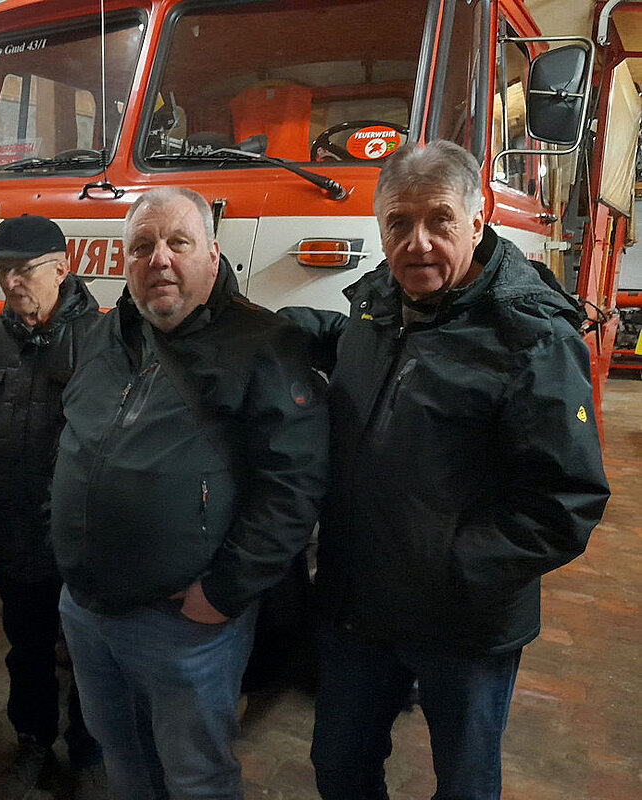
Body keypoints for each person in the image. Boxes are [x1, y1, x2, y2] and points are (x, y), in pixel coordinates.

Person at [291, 141, 610, 799]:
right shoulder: (378, 303)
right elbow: (369, 356)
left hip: (463, 625)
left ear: (476, 219)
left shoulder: (530, 337)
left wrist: (453, 567)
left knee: (464, 783)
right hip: (359, 606)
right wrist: (263, 328)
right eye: (398, 224)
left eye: (439, 220)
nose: (418, 243)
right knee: (338, 767)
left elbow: (566, 501)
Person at [50, 187, 329, 798]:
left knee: (196, 775)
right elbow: (72, 435)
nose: (160, 259)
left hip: (183, 624)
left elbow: (293, 486)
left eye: (179, 242)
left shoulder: (263, 343)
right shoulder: (103, 333)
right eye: (142, 246)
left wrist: (223, 592)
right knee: (120, 751)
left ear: (212, 254)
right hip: (86, 607)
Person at [0, 215, 105, 799]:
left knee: (90, 653)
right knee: (28, 649)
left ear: (62, 268)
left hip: (81, 535)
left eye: (24, 269)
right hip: (11, 529)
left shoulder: (105, 340)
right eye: (2, 269)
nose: (11, 281)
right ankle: (33, 743)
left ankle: (89, 751)